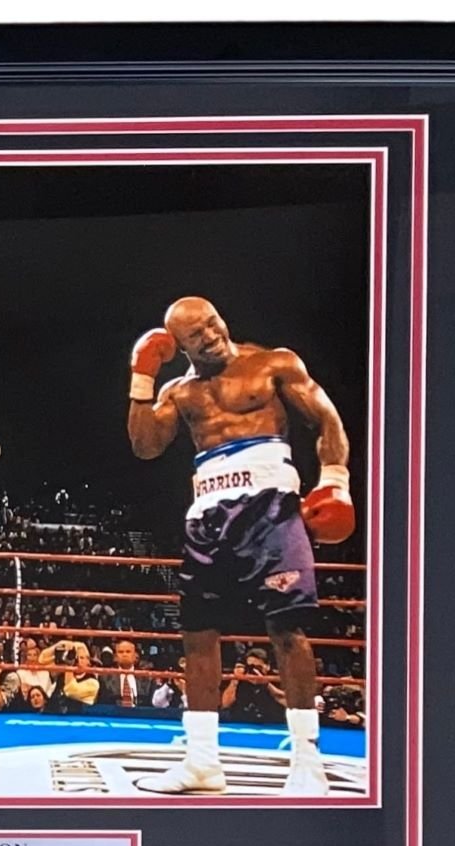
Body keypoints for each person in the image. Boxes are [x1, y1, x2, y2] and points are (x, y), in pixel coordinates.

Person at [127, 296, 354, 795]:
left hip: (270, 507)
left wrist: (335, 480)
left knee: (286, 628)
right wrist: (141, 378)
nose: (211, 336)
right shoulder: (179, 391)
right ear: (179, 346)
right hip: (207, 512)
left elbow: (327, 420)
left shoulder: (273, 362)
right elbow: (145, 446)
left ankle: (307, 762)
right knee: (198, 634)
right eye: (196, 335)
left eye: (212, 324)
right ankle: (202, 762)